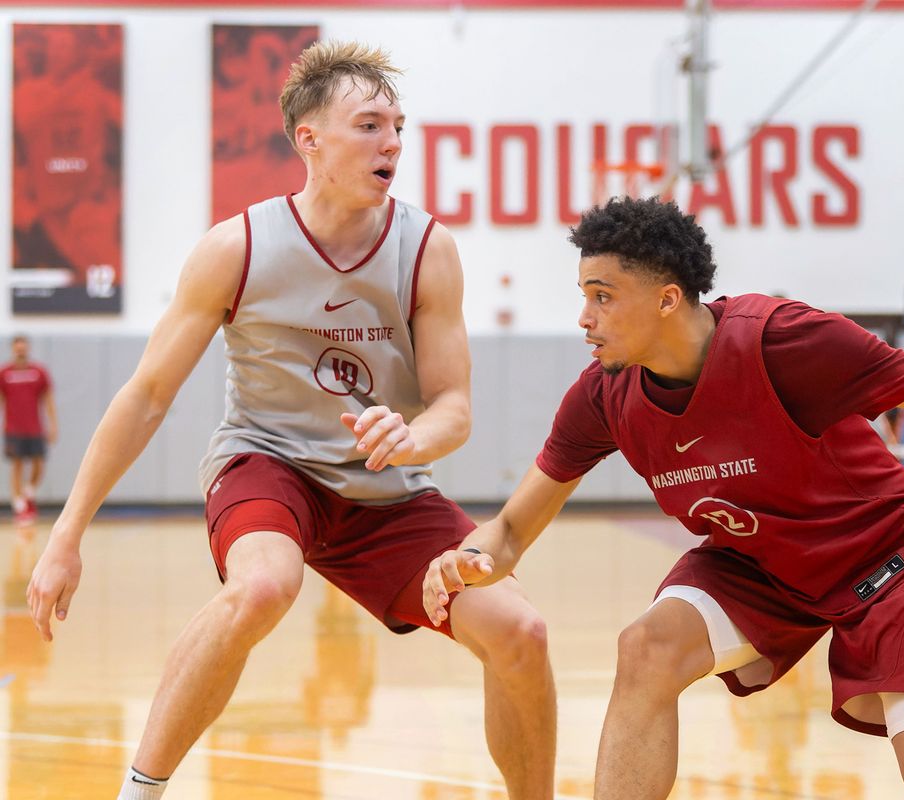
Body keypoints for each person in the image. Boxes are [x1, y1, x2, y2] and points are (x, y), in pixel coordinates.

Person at [423, 197, 904, 800]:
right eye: (583, 296)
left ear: (668, 298)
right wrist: (471, 559)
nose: (584, 318)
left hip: (886, 561)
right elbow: (514, 527)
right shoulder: (603, 396)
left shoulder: (788, 344)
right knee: (646, 647)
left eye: (602, 296)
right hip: (758, 566)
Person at [26, 42, 555, 800]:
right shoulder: (237, 248)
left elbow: (454, 408)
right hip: (269, 465)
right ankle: (139, 793)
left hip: (386, 489)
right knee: (264, 586)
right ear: (309, 139)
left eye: (398, 126)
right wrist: (67, 534)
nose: (393, 144)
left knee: (522, 633)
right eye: (370, 125)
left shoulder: (426, 249)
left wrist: (415, 436)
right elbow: (145, 395)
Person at [2, 335, 57, 526]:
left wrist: (53, 424)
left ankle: (28, 493)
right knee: (17, 466)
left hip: (35, 427)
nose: (21, 351)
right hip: (13, 428)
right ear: (12, 349)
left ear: (28, 349)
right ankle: (20, 507)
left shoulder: (38, 372)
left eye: (23, 348)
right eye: (17, 348)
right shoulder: (5, 373)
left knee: (38, 464)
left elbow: (48, 400)